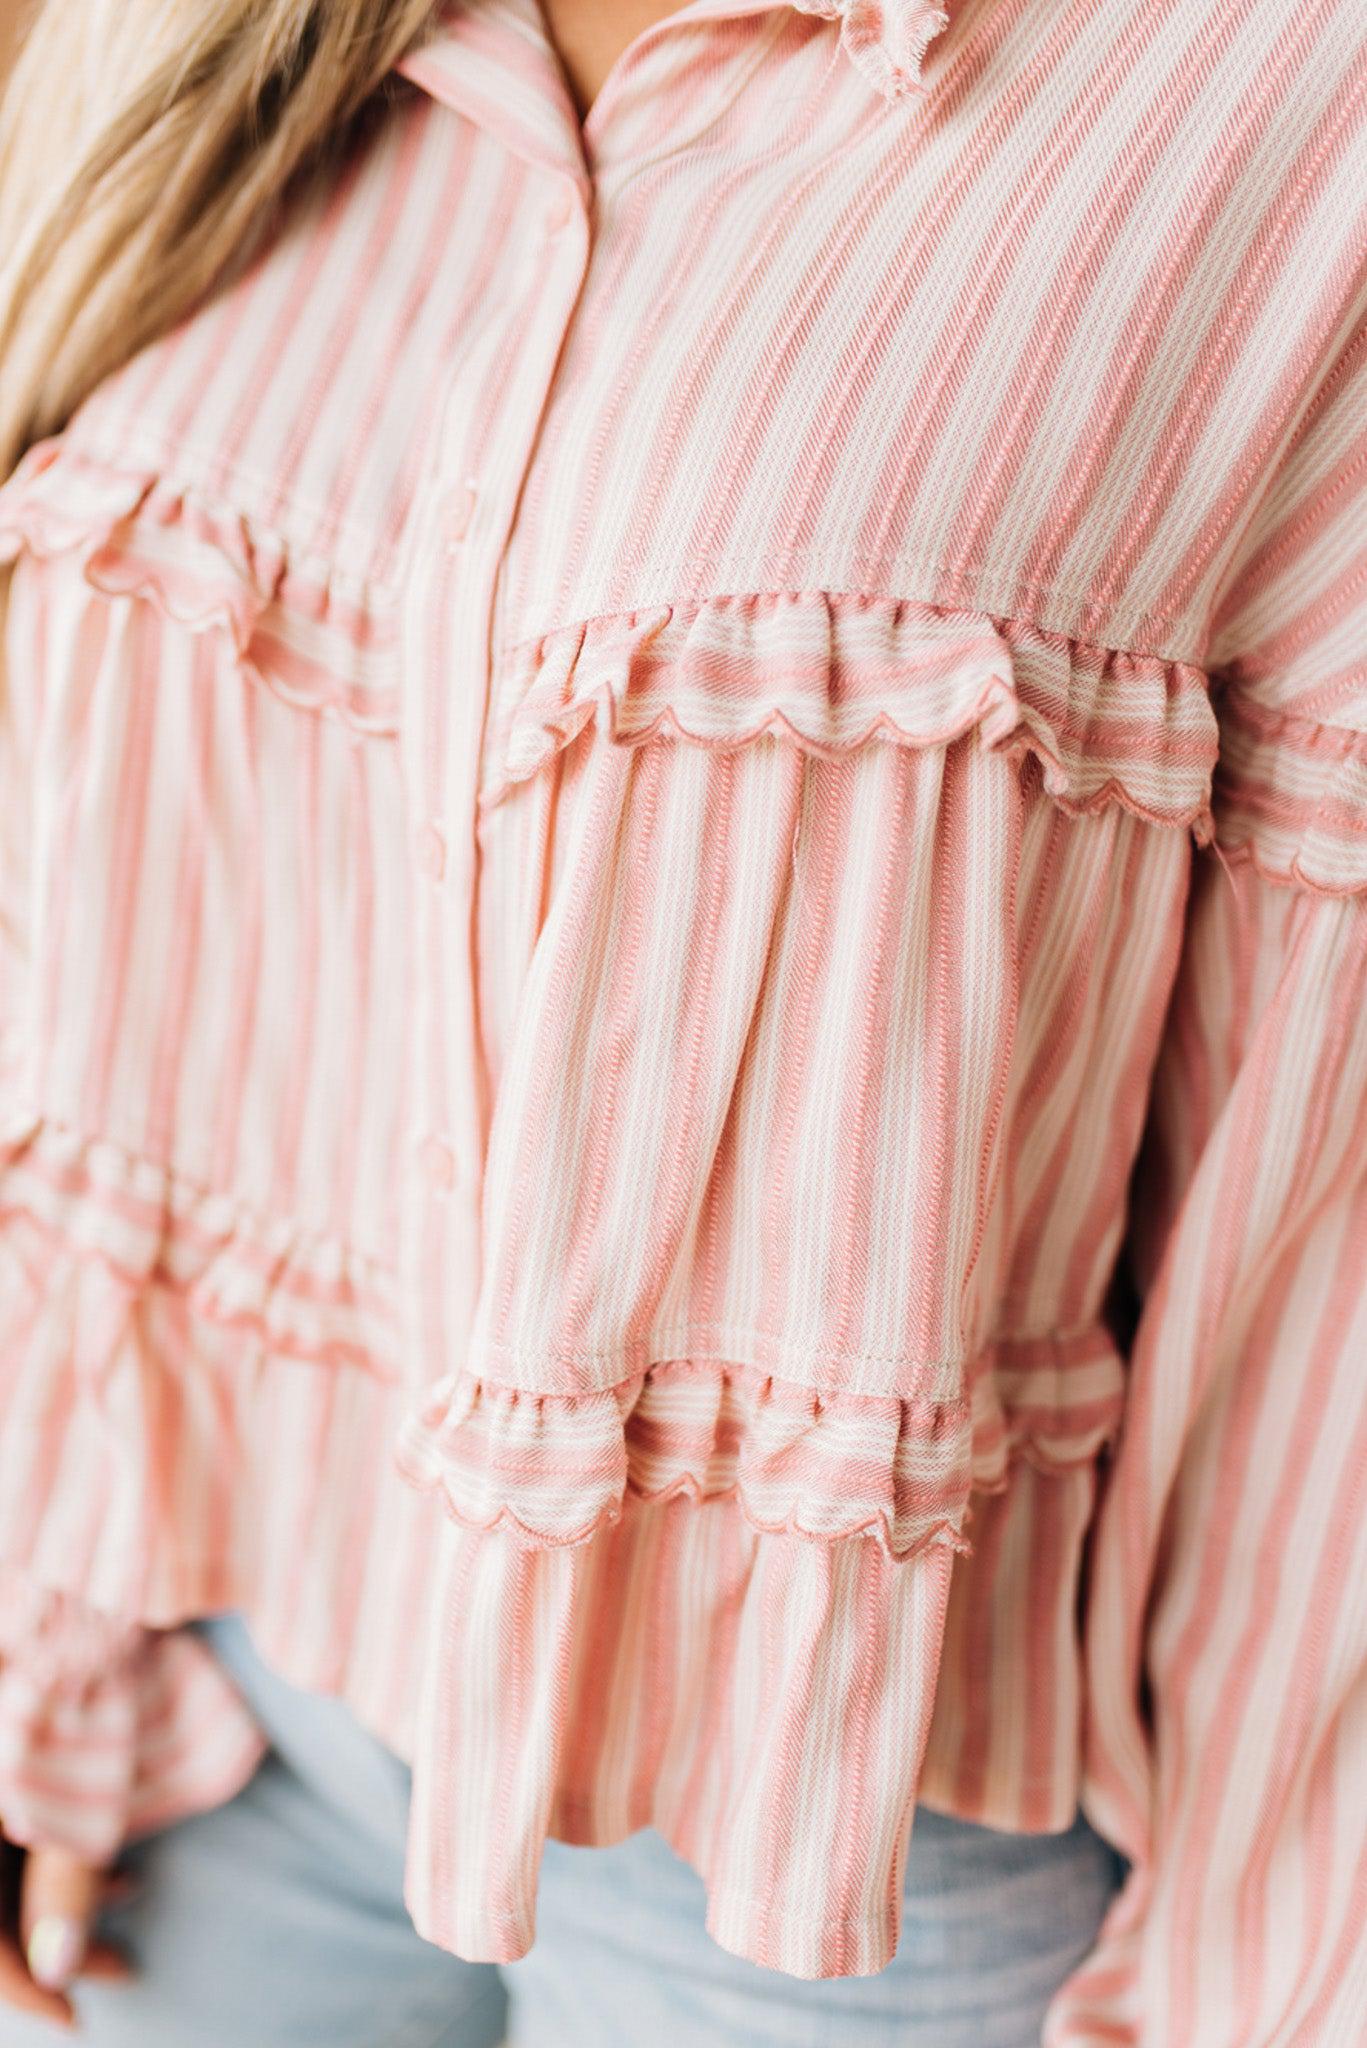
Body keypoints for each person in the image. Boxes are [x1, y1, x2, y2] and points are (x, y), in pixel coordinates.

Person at [0, 0, 1362, 2040]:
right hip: (235, 1713)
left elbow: (1316, 1234)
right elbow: (105, 921)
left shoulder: (1281, 92)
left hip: (832, 1878)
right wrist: (44, 1623)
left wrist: (1268, 1984)